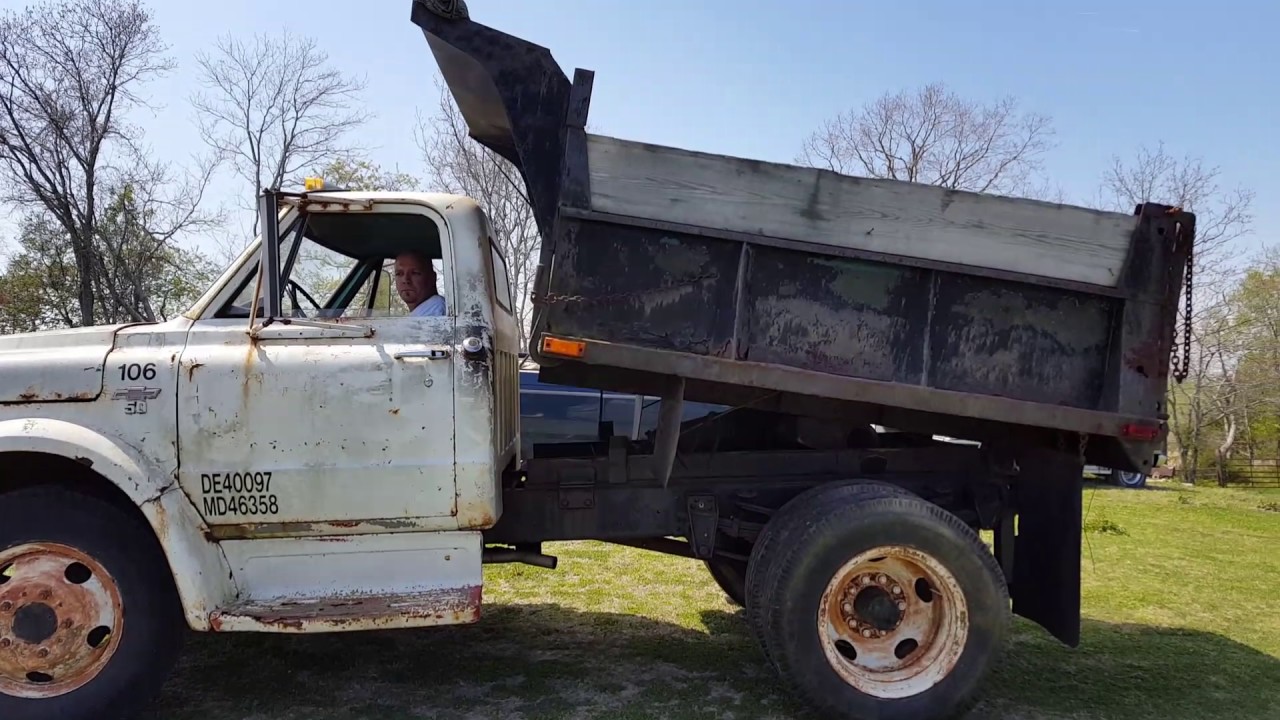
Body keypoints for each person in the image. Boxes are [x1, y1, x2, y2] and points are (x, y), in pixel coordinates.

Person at [394, 250, 447, 316]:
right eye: (399, 274)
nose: (405, 280)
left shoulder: (435, 310)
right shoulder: (420, 314)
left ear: (432, 278)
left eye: (414, 273)